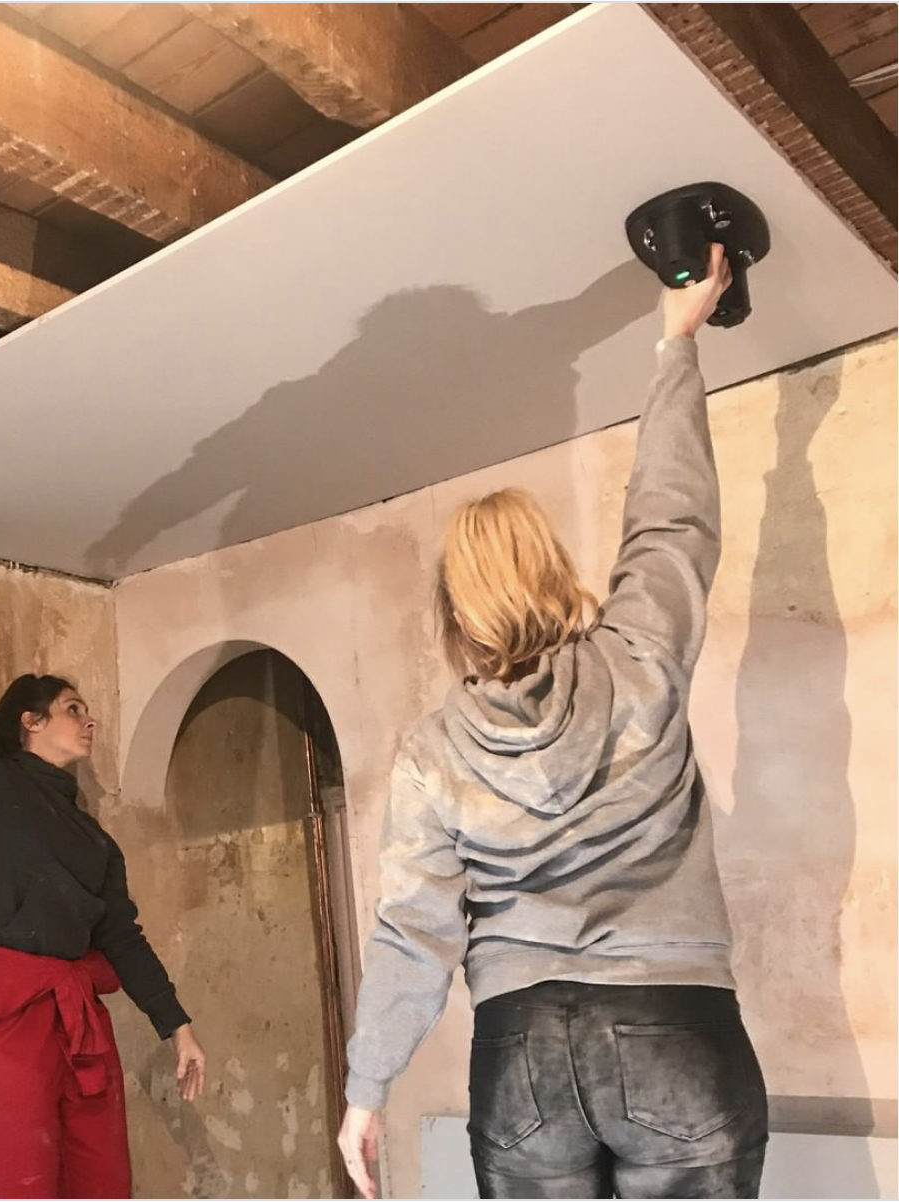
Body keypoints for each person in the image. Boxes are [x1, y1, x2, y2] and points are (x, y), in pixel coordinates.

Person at [337, 244, 768, 1199]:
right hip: (675, 1021)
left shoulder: (431, 753)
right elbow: (672, 522)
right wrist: (677, 343)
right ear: (556, 573)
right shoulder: (638, 658)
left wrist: (367, 1090)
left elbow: (413, 933)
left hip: (520, 1048)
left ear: (454, 615)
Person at [0, 537, 205, 1199]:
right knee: (20, 1185)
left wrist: (176, 1026)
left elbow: (122, 939)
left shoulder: (94, 842)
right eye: (73, 709)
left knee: (102, 1183)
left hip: (78, 1027)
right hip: (1, 1022)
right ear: (29, 722)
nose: (89, 721)